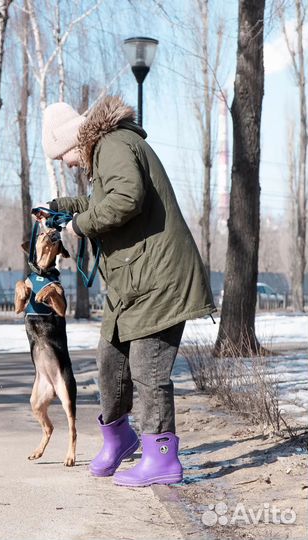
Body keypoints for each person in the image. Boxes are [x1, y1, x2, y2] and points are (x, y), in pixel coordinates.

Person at [37, 96, 216, 487]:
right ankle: (118, 439)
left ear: (72, 142)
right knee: (110, 361)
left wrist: (79, 227)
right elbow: (105, 198)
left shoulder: (113, 144)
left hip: (159, 281)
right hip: (133, 284)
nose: (65, 164)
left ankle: (162, 458)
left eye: (61, 157)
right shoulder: (106, 151)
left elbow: (126, 199)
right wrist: (61, 207)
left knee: (148, 370)